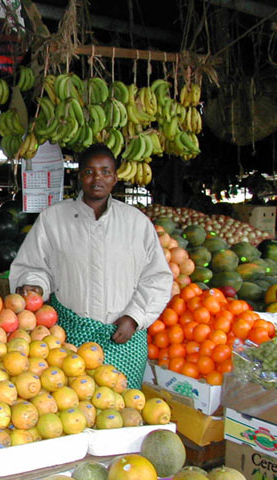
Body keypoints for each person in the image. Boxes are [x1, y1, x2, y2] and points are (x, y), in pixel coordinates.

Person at [9, 143, 173, 388]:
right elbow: (34, 265)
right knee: (69, 411)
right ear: (79, 176)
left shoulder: (137, 223)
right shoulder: (53, 219)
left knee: (122, 413)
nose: (98, 178)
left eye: (105, 172)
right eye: (89, 171)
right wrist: (35, 286)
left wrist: (135, 316)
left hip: (123, 339)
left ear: (115, 178)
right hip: (68, 340)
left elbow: (157, 278)